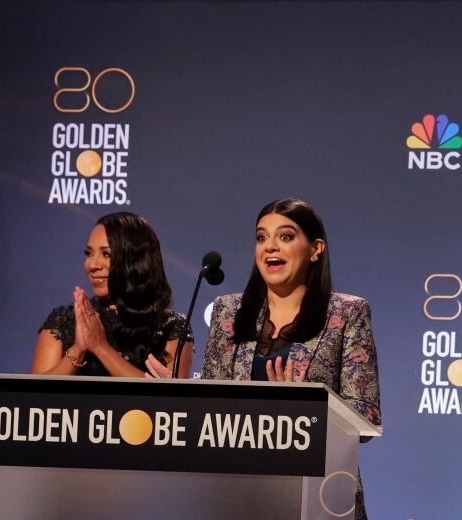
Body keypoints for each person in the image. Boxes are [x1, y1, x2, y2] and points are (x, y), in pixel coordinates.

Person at [200, 198, 381, 520]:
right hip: (238, 489)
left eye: (285, 237)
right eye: (261, 237)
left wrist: (305, 405)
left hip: (317, 493)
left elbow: (366, 419)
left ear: (315, 249)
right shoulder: (228, 312)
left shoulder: (346, 313)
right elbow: (213, 408)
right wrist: (177, 396)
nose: (270, 247)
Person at [31, 212, 193, 378]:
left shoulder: (170, 327)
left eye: (106, 254)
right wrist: (78, 349)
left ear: (135, 262)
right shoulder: (65, 320)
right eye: (89, 253)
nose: (92, 265)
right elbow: (32, 398)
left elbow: (171, 401)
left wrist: (101, 347)